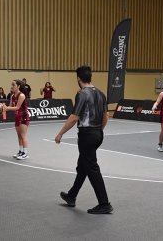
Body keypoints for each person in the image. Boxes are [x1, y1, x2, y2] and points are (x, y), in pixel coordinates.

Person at [55, 65, 113, 214]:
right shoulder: (101, 94)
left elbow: (74, 117)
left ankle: (104, 203)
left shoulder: (82, 94)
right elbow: (106, 115)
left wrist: (60, 133)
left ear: (78, 79)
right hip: (98, 133)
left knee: (92, 168)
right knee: (83, 166)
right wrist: (100, 130)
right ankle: (71, 195)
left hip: (87, 135)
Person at [3, 80, 30, 160]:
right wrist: (2, 109)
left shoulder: (21, 95)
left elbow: (17, 107)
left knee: (23, 135)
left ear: (18, 86)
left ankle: (25, 153)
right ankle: (21, 151)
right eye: (11, 85)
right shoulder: (12, 96)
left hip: (23, 115)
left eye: (13, 85)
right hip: (17, 116)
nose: (12, 86)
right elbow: (10, 106)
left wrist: (7, 108)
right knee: (19, 135)